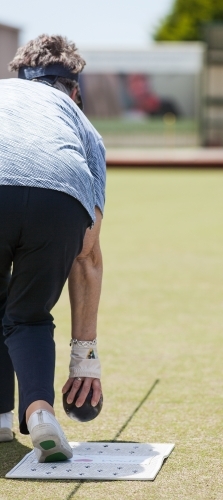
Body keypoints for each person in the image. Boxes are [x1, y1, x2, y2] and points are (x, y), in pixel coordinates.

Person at [0, 34, 106, 463]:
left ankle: (1, 420)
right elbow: (88, 256)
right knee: (27, 315)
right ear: (74, 90)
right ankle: (40, 412)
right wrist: (85, 360)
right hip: (59, 197)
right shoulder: (83, 126)